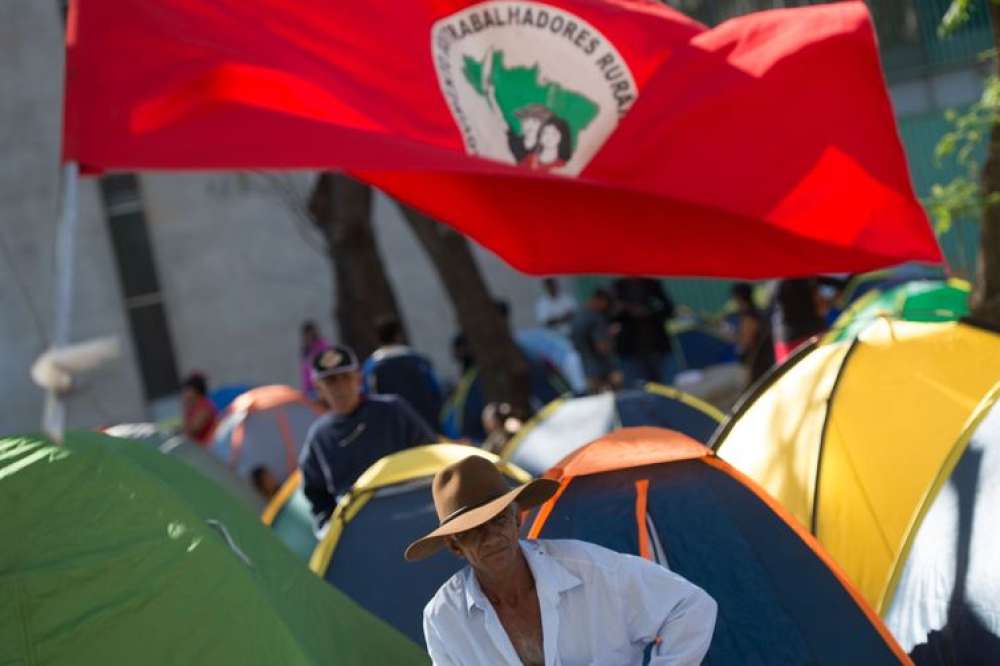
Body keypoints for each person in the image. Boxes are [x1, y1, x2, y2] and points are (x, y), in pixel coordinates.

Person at [406, 456, 717, 665]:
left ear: (518, 521)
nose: (491, 537)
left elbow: (692, 606)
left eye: (498, 520)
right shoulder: (444, 617)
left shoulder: (590, 570)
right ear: (455, 546)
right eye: (472, 531)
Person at [299, 344, 438, 528]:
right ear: (319, 388)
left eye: (345, 377)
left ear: (358, 378)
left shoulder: (393, 411)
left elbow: (431, 456)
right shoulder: (319, 438)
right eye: (331, 381)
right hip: (363, 530)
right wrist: (330, 528)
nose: (340, 387)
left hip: (412, 512)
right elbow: (316, 495)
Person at [362, 317, 444, 430]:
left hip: (393, 429)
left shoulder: (371, 368)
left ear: (377, 338)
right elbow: (436, 393)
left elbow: (367, 399)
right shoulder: (419, 361)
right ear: (398, 335)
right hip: (426, 425)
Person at [612, 278, 675, 387]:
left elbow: (669, 309)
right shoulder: (618, 288)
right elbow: (610, 317)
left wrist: (649, 311)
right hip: (631, 352)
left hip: (657, 347)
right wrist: (625, 310)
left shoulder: (652, 285)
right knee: (638, 390)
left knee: (665, 387)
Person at [570, 287, 621, 393]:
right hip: (603, 372)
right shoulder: (596, 318)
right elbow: (602, 347)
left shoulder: (578, 316)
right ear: (601, 300)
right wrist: (610, 335)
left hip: (587, 371)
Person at [771, 278, 826, 363]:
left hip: (785, 341)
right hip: (811, 336)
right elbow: (821, 308)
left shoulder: (778, 283)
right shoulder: (806, 279)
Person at [730, 282, 775, 385]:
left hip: (760, 363)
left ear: (738, 298)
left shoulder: (749, 316)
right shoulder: (758, 312)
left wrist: (734, 336)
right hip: (766, 360)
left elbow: (746, 341)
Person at [180, 372, 218, 446]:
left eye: (187, 390)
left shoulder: (204, 406)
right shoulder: (194, 407)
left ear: (195, 390)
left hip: (208, 448)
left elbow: (193, 430)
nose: (184, 393)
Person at [299, 320, 329, 401]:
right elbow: (304, 371)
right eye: (306, 334)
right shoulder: (306, 350)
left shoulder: (322, 346)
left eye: (310, 333)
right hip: (309, 389)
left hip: (321, 386)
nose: (308, 336)